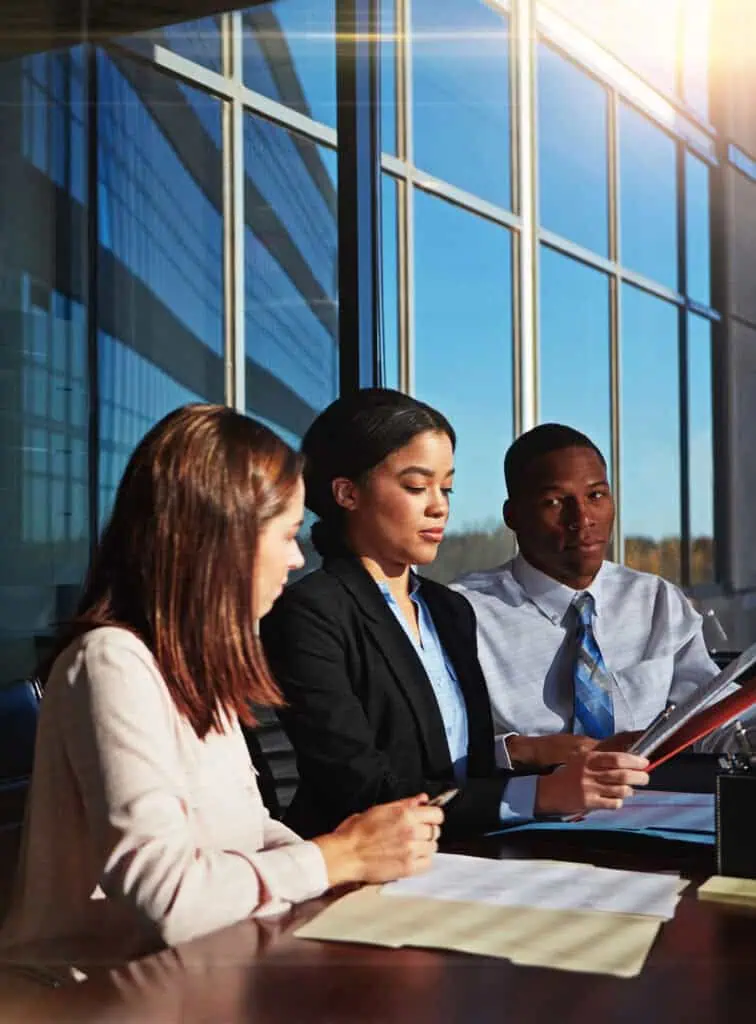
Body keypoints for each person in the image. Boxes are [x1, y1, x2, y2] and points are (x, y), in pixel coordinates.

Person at [0, 405, 443, 979]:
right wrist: (340, 855)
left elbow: (251, 831)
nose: (296, 557)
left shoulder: (199, 667)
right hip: (90, 994)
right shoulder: (111, 662)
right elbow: (170, 900)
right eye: (284, 534)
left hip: (196, 975)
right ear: (219, 538)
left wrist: (356, 861)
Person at [261, 390, 649, 839]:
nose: (439, 506)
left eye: (445, 488)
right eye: (415, 487)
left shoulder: (449, 611)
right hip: (360, 870)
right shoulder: (309, 615)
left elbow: (472, 772)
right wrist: (540, 795)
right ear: (348, 492)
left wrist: (560, 781)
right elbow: (361, 792)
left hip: (465, 850)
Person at [452, 422, 728, 770]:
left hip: (650, 801)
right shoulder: (463, 613)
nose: (581, 519)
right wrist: (523, 750)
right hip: (523, 809)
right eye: (554, 502)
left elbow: (710, 716)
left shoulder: (656, 600)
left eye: (596, 496)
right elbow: (434, 746)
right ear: (513, 516)